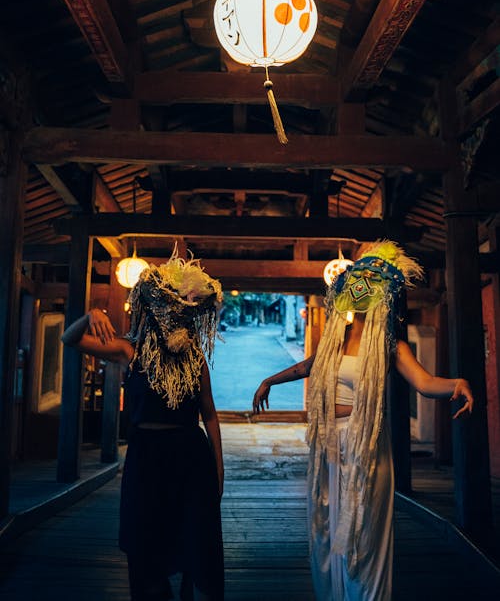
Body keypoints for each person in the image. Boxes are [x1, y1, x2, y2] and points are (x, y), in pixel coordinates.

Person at [252, 240, 473, 601]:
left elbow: (424, 382)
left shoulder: (390, 345)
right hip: (329, 444)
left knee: (362, 532)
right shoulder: (333, 340)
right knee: (327, 527)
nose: (360, 294)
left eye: (369, 287)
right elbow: (307, 366)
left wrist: (456, 383)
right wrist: (269, 381)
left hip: (363, 444)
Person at [62, 249, 225, 601]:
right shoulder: (129, 353)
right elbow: (70, 340)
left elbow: (210, 417)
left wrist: (219, 471)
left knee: (193, 542)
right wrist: (91, 314)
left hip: (190, 456)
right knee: (144, 541)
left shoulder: (195, 360)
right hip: (146, 457)